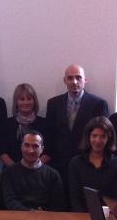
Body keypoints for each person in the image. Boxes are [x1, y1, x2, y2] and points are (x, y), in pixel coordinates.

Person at [44, 64, 109, 195]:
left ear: (85, 80)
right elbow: (49, 133)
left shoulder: (98, 104)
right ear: (65, 80)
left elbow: (103, 135)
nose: (74, 82)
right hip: (59, 164)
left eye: (78, 78)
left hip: (87, 163)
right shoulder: (53, 103)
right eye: (70, 78)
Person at [67, 116, 117, 212]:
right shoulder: (76, 163)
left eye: (103, 136)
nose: (98, 140)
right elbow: (75, 198)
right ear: (88, 137)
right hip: (80, 216)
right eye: (94, 136)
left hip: (108, 216)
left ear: (109, 138)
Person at [2, 131, 66, 211]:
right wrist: (30, 212)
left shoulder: (53, 175)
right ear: (21, 147)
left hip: (45, 217)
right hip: (16, 216)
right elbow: (9, 201)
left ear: (42, 149)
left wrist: (44, 214)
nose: (30, 150)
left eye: (35, 146)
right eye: (26, 145)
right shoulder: (9, 173)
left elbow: (58, 204)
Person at [0, 83, 52, 168]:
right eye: (22, 99)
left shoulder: (45, 124)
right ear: (16, 102)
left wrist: (33, 167)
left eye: (29, 99)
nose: (26, 102)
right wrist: (17, 169)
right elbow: (2, 151)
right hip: (12, 170)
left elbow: (49, 152)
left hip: (38, 170)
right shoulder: (7, 124)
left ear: (34, 101)